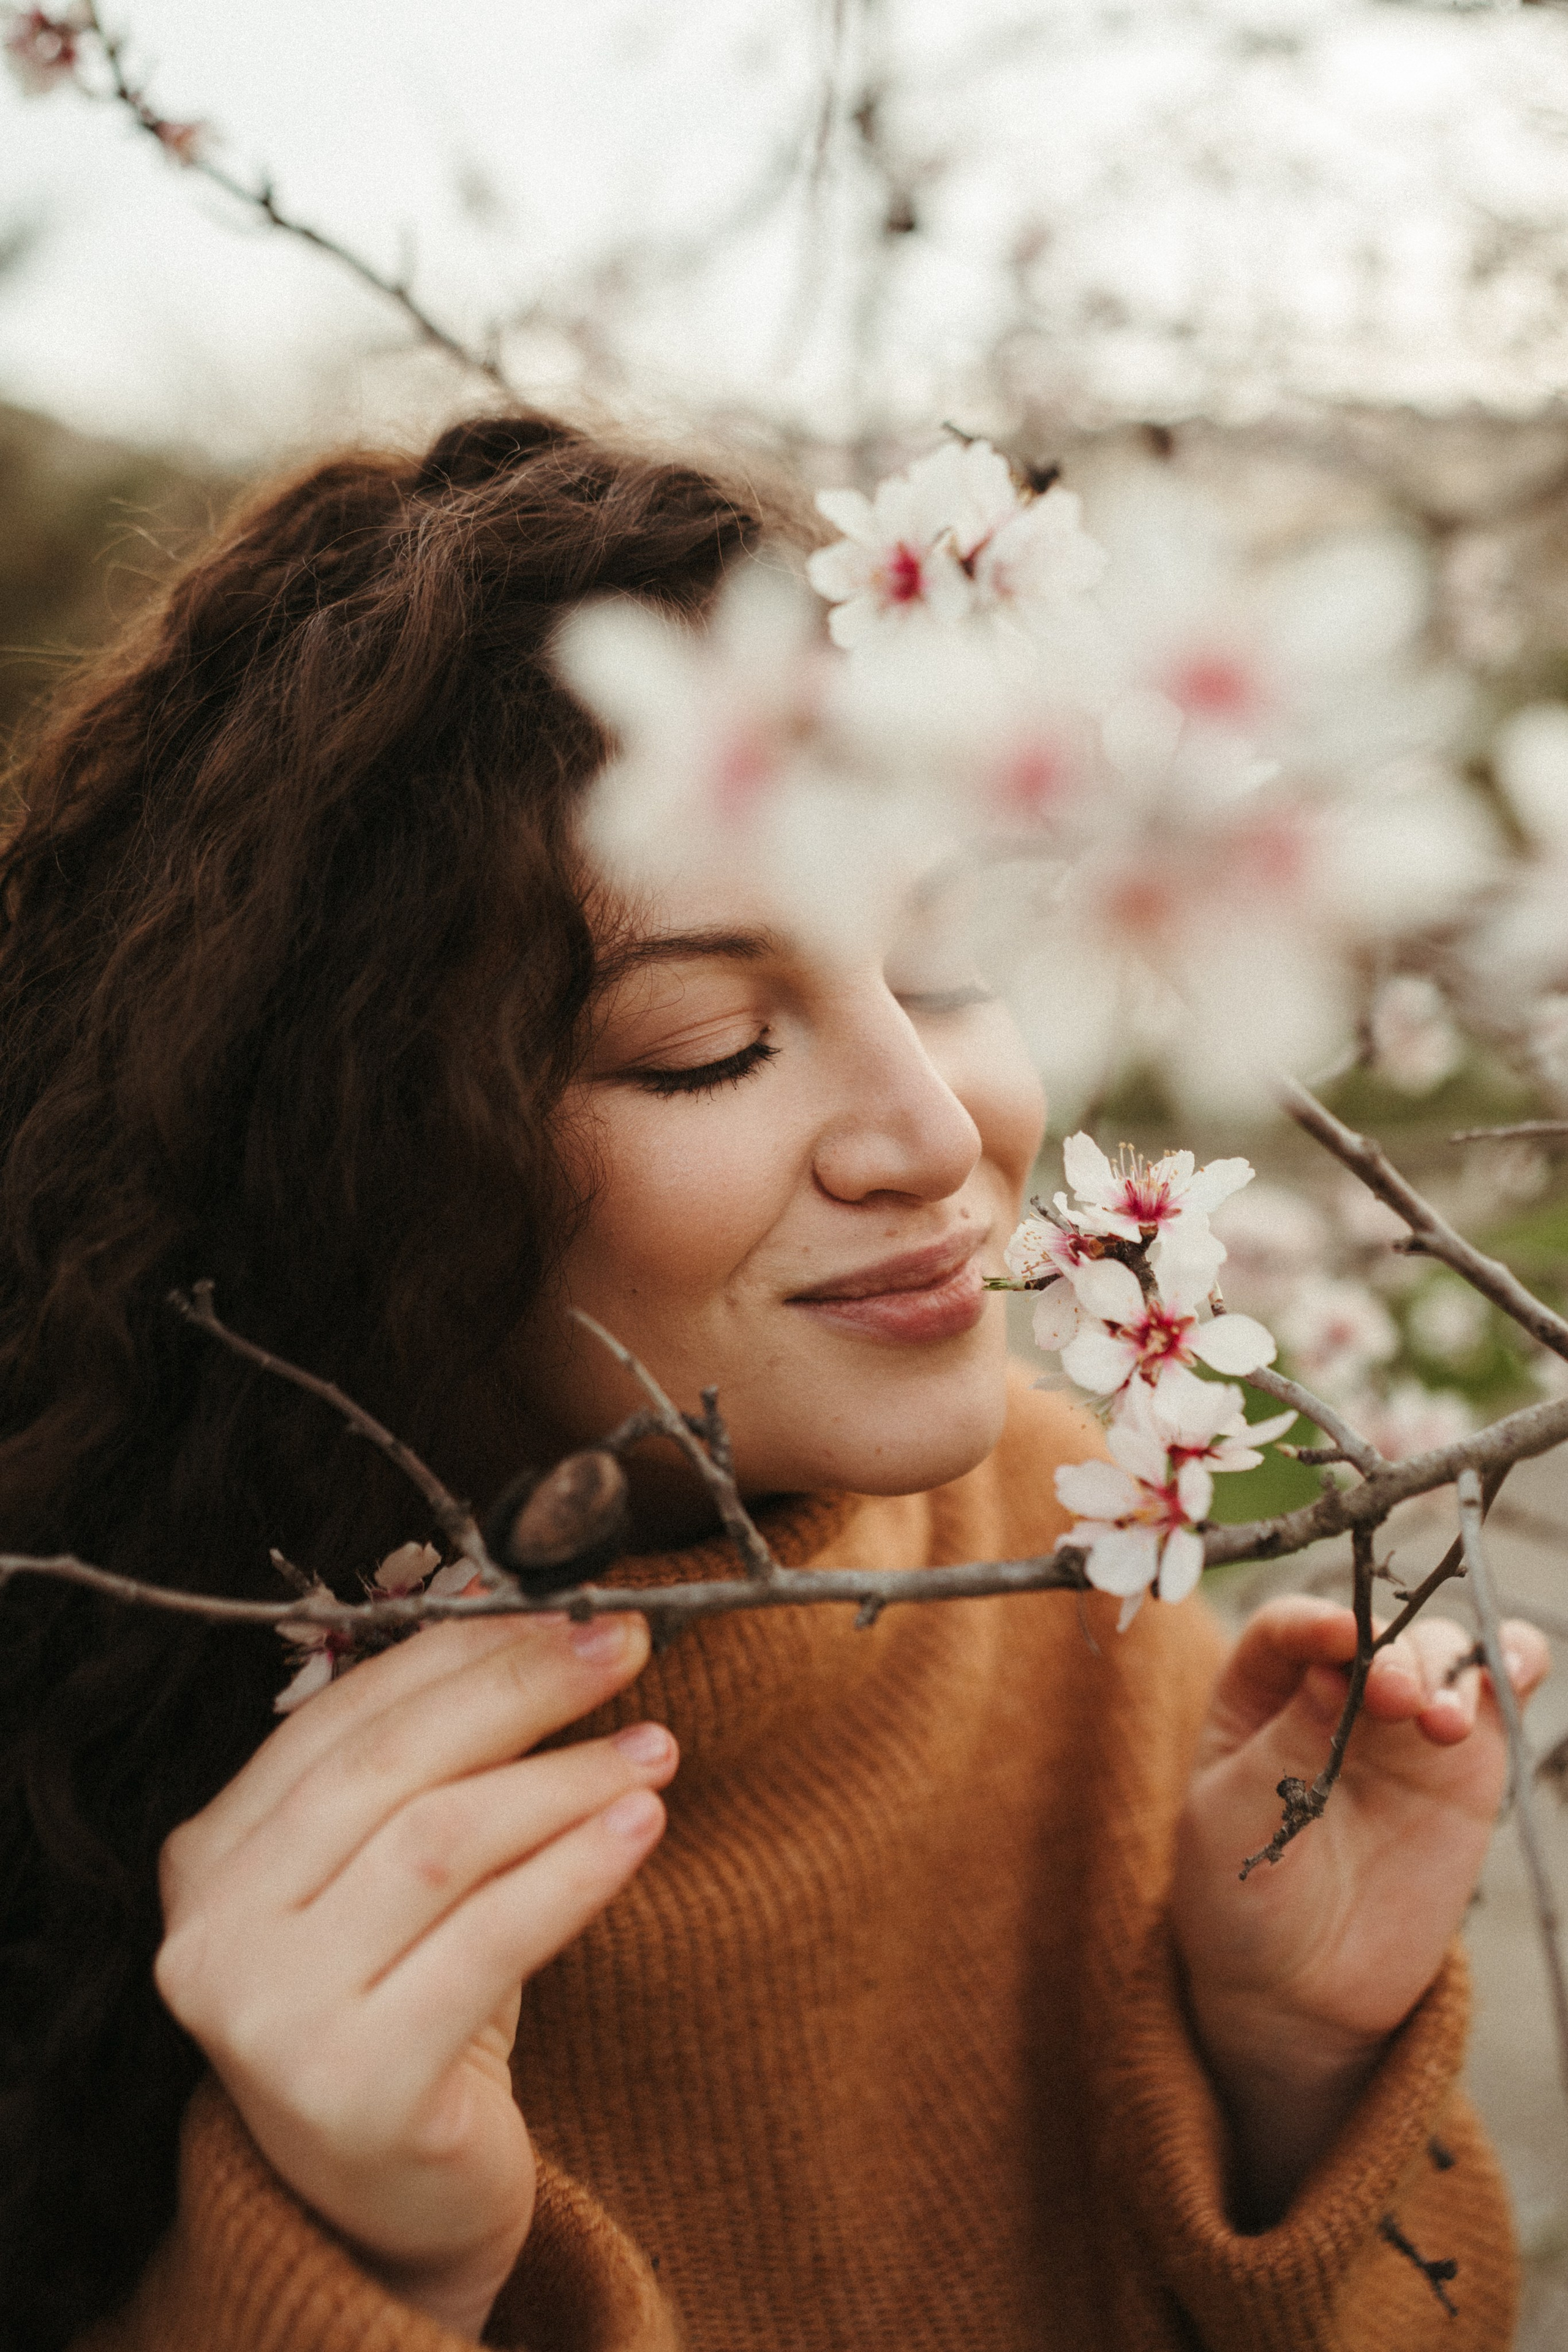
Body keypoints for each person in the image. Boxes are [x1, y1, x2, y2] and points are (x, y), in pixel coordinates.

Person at [0, 412, 1546, 2352]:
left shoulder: (1082, 1585)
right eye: (706, 1046)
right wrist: (356, 2255)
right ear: (365, 1158)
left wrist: (1288, 2076)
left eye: (953, 963)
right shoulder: (132, 1702)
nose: (932, 1128)